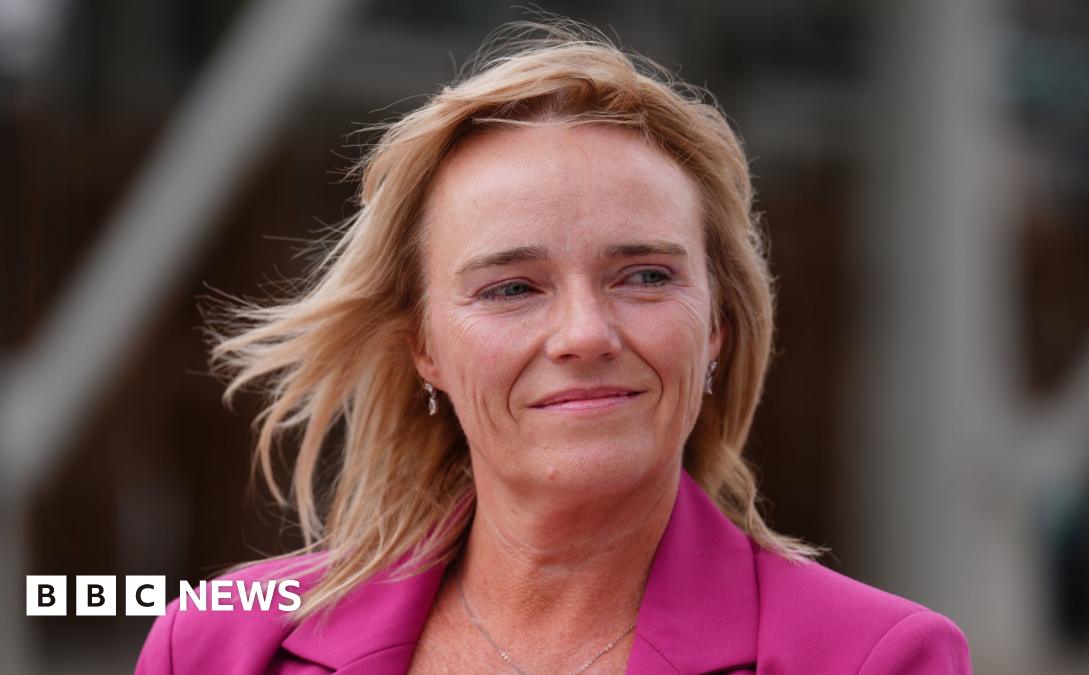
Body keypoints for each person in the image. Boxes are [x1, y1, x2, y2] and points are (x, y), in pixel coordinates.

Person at [136, 20, 971, 675]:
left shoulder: (876, 657)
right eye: (511, 288)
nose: (583, 335)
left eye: (643, 275)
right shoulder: (219, 644)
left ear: (716, 326)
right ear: (424, 345)